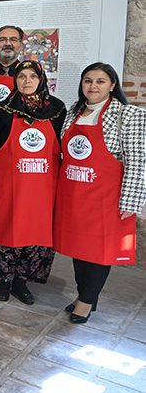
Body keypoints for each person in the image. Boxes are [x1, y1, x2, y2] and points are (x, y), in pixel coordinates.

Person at [54, 63, 146, 323]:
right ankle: (86, 294)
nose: (92, 86)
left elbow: (138, 160)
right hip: (74, 193)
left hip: (106, 197)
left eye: (100, 81)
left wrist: (131, 199)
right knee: (78, 248)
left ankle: (86, 300)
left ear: (112, 85)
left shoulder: (128, 115)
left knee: (99, 251)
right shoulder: (73, 112)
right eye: (88, 80)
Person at [0, 60, 65, 305]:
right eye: (21, 77)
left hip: (43, 188)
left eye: (32, 77)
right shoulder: (2, 109)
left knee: (35, 237)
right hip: (7, 187)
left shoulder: (57, 110)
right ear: (15, 80)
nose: (27, 81)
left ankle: (21, 282)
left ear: (41, 79)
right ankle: (3, 281)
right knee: (5, 232)